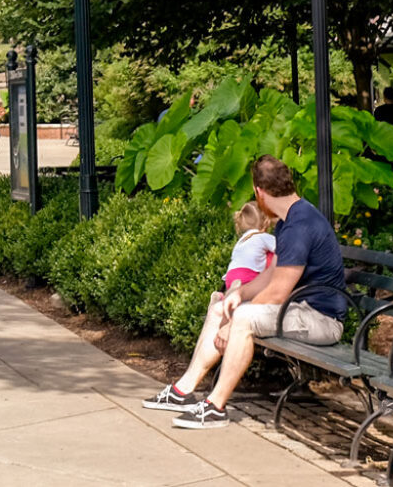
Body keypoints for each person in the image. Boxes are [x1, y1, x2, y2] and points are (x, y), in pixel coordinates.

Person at [144, 156, 349, 428]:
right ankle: (183, 390)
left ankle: (215, 407)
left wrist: (233, 321)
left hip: (322, 319)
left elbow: (277, 292)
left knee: (241, 320)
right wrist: (237, 296)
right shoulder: (289, 219)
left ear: (258, 192)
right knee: (222, 303)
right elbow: (269, 276)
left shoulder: (300, 225)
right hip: (298, 311)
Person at [221, 201, 276, 293]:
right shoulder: (262, 236)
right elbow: (283, 248)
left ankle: (221, 297)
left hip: (230, 276)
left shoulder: (241, 241)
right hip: (248, 275)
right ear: (266, 221)